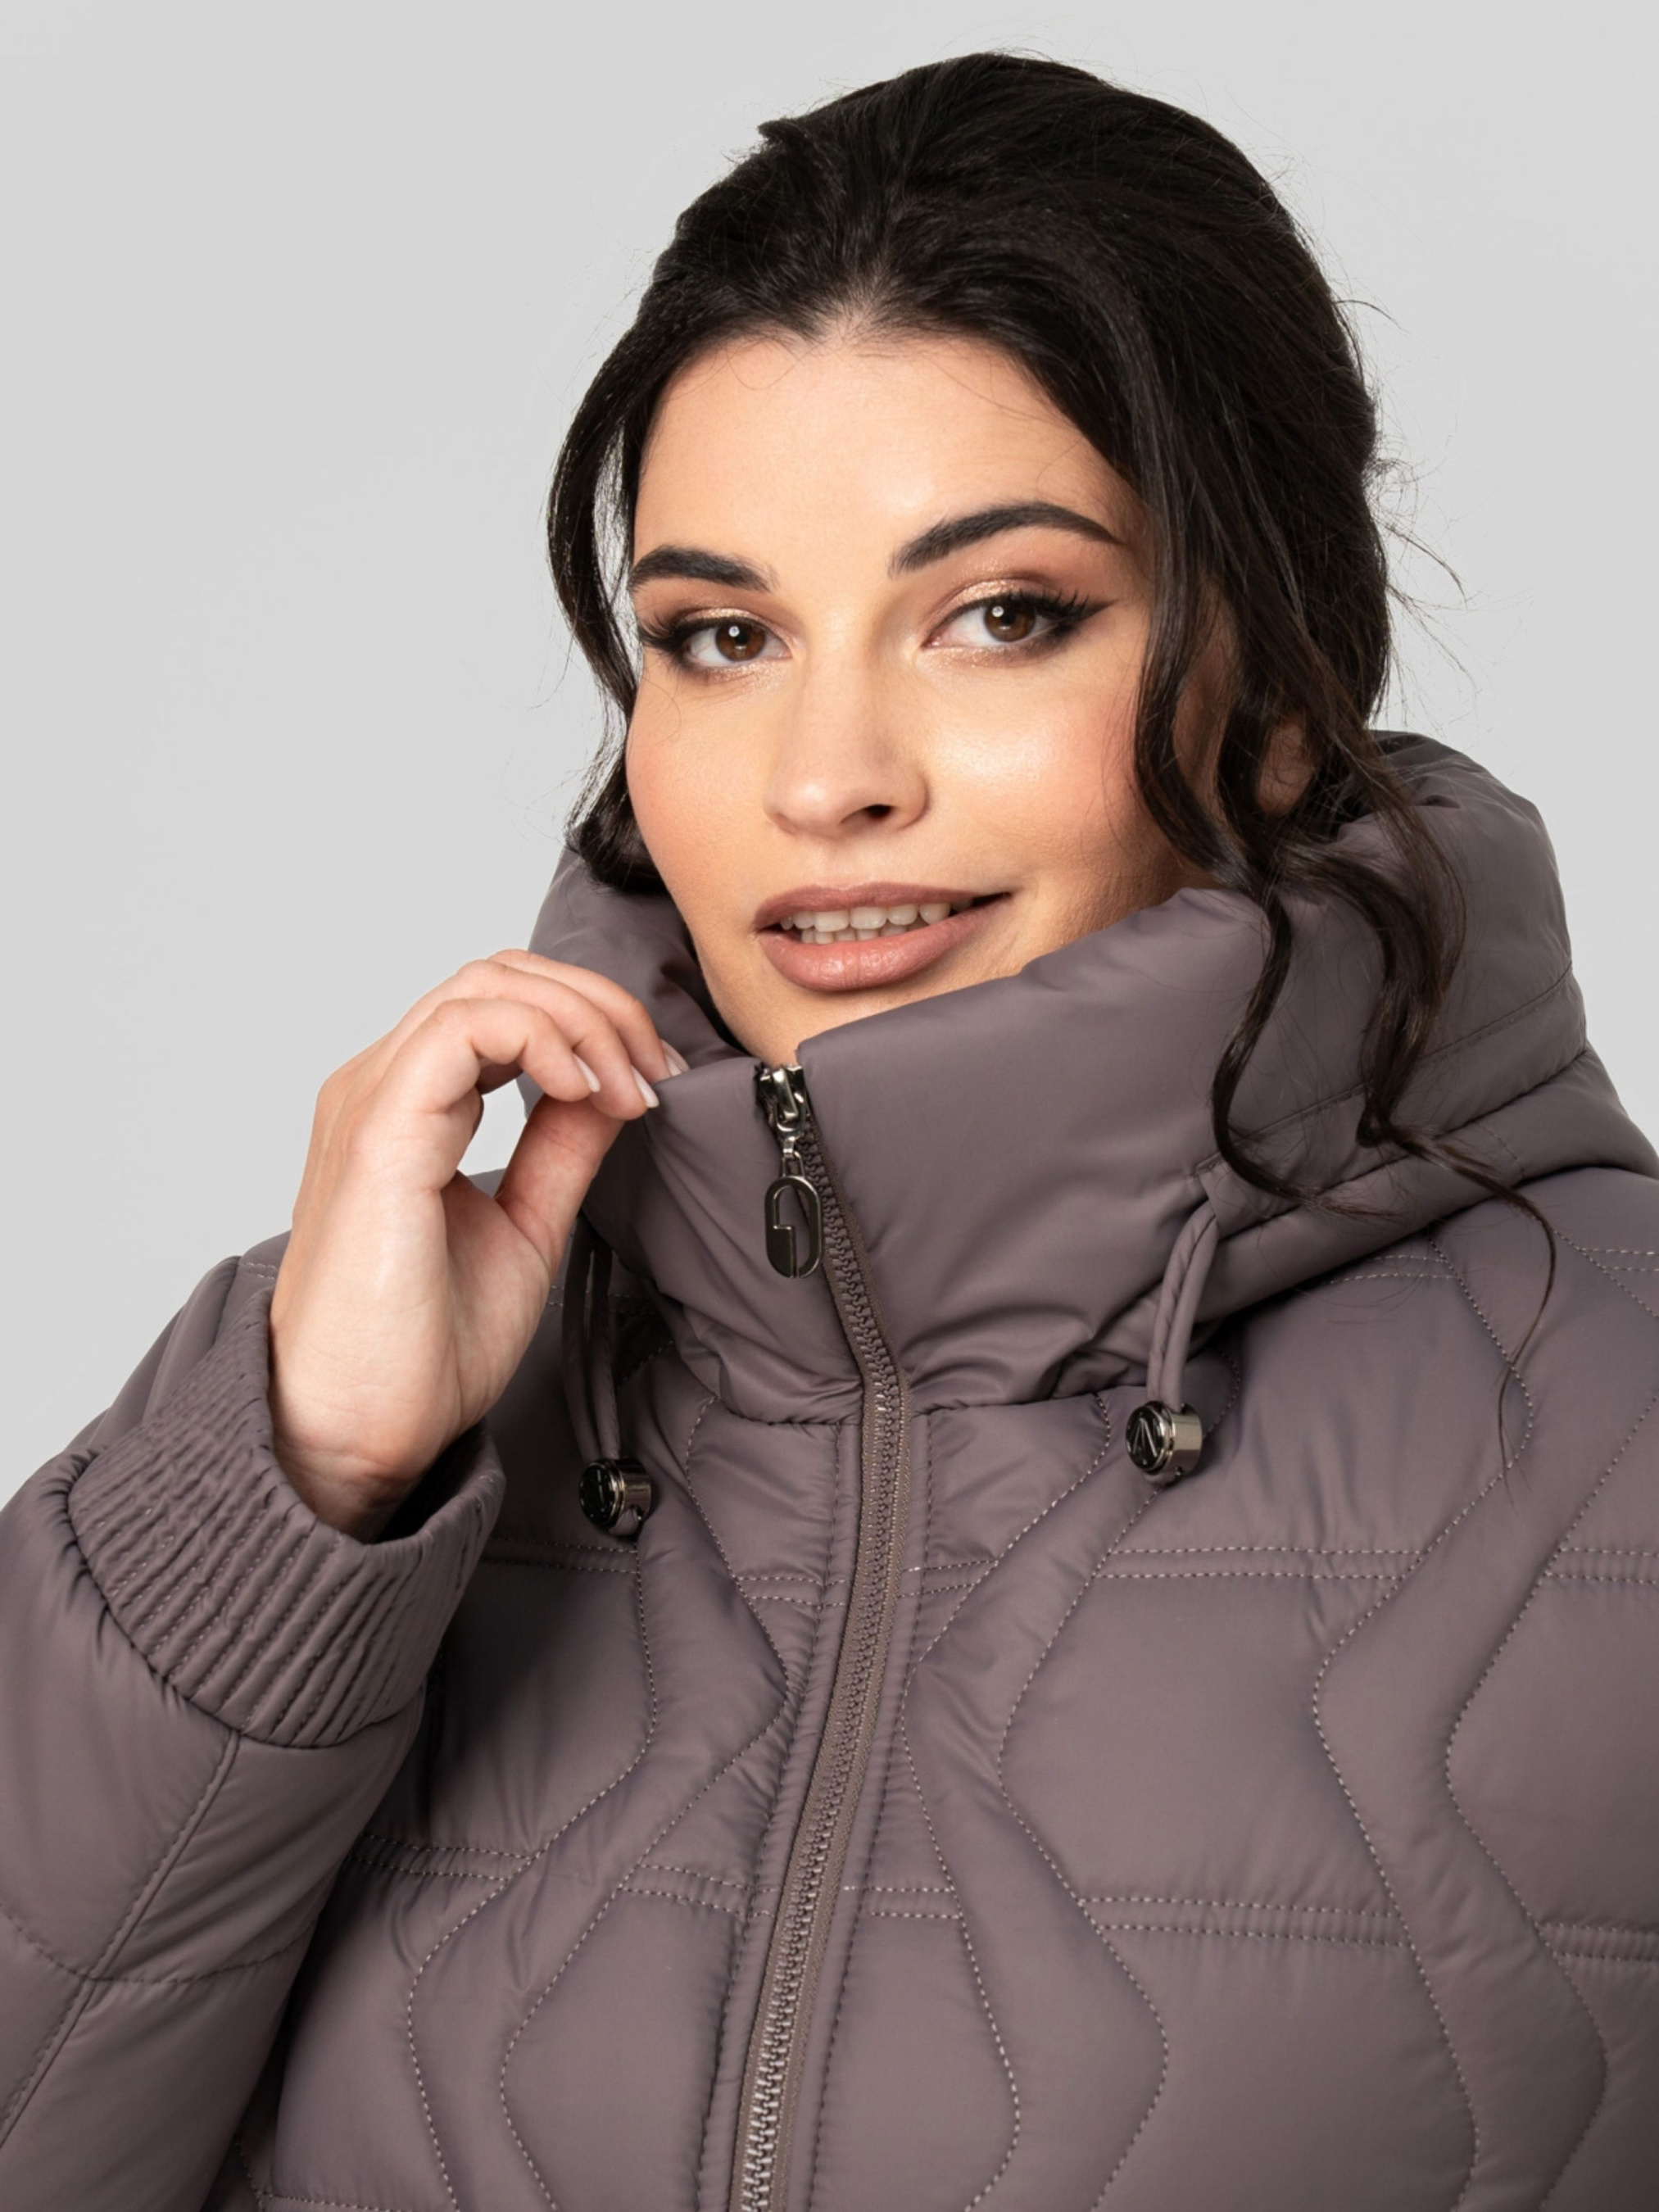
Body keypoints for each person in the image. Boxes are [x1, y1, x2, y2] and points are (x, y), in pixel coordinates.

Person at [3, 49, 1657, 2212]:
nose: (824, 776)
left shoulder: (1619, 1422)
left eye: (1000, 617)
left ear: (1275, 679)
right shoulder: (381, 1417)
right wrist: (292, 1489)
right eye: (722, 637)